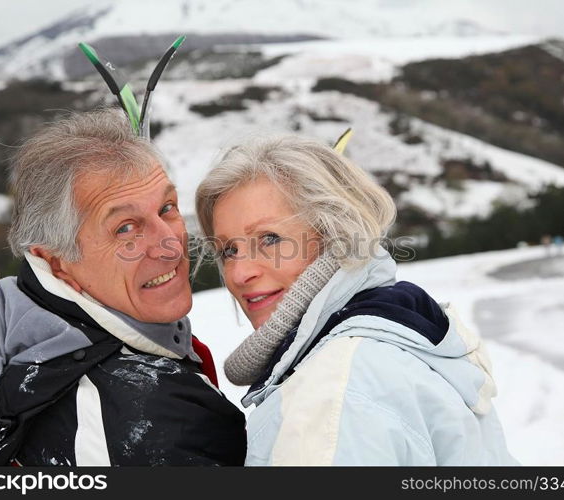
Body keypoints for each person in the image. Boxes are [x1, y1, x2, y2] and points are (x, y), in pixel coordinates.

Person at [0, 109, 246, 466]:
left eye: (167, 207)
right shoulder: (154, 420)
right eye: (125, 228)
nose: (170, 244)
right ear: (55, 260)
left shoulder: (0, 333)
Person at [195, 134, 517, 465]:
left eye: (270, 239)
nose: (239, 273)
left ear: (336, 234)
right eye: (229, 250)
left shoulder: (333, 390)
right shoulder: (388, 336)